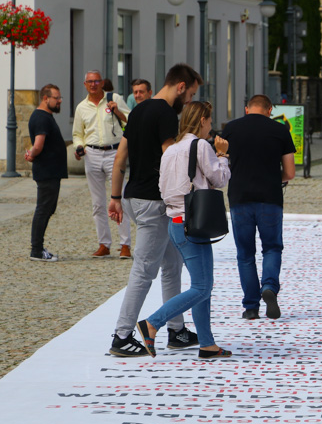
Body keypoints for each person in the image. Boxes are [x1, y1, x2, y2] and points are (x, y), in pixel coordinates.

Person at [105, 63, 203, 357]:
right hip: (155, 202)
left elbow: (121, 155)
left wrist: (114, 196)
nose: (188, 102)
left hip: (135, 196)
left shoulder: (139, 110)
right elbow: (171, 158)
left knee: (171, 265)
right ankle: (122, 335)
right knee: (144, 270)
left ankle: (176, 330)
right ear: (181, 86)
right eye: (191, 94)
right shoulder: (164, 114)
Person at [136, 101, 232, 359]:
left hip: (175, 222)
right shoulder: (201, 146)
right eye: (210, 121)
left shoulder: (170, 150)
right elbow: (219, 179)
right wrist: (222, 155)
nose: (211, 126)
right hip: (193, 224)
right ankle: (153, 323)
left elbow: (163, 186)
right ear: (202, 120)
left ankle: (207, 344)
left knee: (203, 285)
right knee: (202, 287)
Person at [221, 94, 296, 320]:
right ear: (269, 110)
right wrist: (276, 178)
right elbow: (290, 172)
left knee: (245, 254)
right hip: (270, 197)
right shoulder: (280, 130)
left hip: (240, 198)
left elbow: (221, 162)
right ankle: (269, 287)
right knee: (272, 248)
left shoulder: (231, 129)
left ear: (246, 109)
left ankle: (251, 307)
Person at [72, 70, 132, 259]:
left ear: (102, 82)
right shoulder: (82, 107)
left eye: (97, 81)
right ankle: (104, 243)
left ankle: (125, 244)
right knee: (97, 203)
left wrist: (118, 111)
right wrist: (79, 146)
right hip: (93, 153)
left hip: (115, 152)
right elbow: (77, 133)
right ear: (85, 84)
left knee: (119, 197)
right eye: (90, 82)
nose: (93, 85)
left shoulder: (114, 99)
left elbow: (132, 119)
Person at [24, 84, 67, 262]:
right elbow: (39, 144)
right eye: (56, 98)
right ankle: (36, 250)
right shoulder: (41, 118)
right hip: (47, 171)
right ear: (45, 98)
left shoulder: (45, 116)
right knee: (43, 209)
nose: (59, 101)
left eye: (59, 97)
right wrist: (31, 154)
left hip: (51, 171)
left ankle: (38, 248)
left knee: (48, 208)